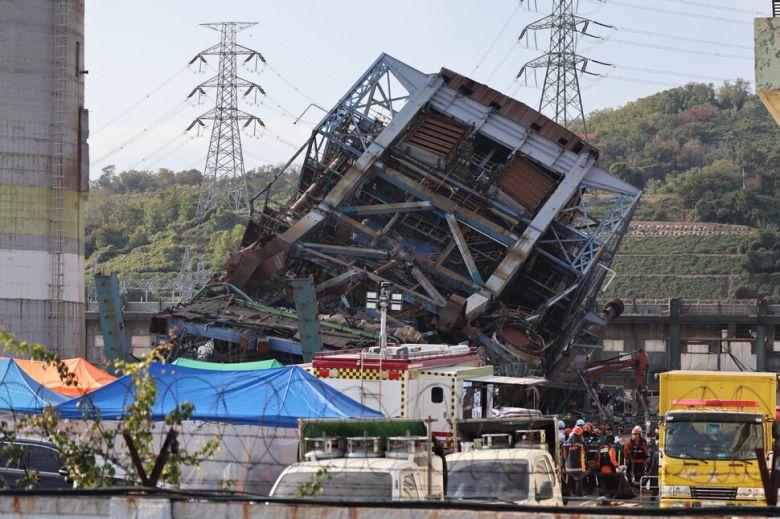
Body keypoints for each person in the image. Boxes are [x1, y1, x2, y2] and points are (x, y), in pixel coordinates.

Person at [564, 425, 586, 497]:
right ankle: (578, 496)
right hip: (578, 466)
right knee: (578, 482)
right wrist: (583, 441)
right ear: (579, 433)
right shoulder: (580, 442)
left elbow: (564, 455)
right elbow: (586, 451)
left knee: (569, 482)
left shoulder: (566, 442)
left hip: (568, 466)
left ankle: (567, 496)